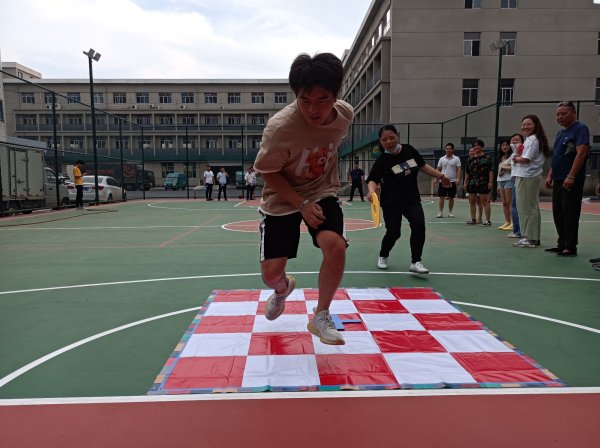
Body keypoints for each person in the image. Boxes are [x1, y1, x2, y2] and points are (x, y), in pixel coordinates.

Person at [253, 52, 354, 346]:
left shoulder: (345, 115)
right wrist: (300, 204)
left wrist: (314, 195)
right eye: (305, 100)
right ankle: (282, 289)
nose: (313, 109)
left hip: (322, 190)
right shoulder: (280, 128)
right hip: (281, 197)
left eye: (323, 100)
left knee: (335, 245)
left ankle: (321, 315)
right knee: (271, 274)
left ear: (336, 95)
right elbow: (268, 172)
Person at [366, 124, 452, 274]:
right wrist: (371, 192)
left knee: (419, 226)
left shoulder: (409, 150)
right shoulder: (382, 160)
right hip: (391, 202)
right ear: (380, 141)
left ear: (397, 136)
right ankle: (383, 255)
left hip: (411, 199)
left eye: (391, 138)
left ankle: (416, 261)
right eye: (384, 140)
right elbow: (373, 179)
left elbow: (423, 166)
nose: (388, 142)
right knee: (394, 233)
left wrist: (442, 176)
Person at [544, 101, 590, 257]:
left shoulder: (580, 129)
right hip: (558, 178)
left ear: (573, 113)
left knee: (570, 212)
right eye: (558, 114)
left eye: (563, 113)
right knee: (558, 212)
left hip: (571, 179)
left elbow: (581, 152)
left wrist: (571, 176)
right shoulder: (560, 133)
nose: (560, 117)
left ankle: (570, 246)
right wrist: (550, 175)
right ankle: (562, 243)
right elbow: (557, 155)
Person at [513, 114, 550, 248]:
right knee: (529, 207)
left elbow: (526, 159)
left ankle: (530, 238)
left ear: (536, 125)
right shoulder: (532, 139)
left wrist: (515, 158)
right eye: (523, 124)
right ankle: (532, 237)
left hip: (527, 176)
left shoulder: (533, 140)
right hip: (528, 176)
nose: (525, 127)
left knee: (527, 208)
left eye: (529, 124)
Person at [464, 139, 493, 225]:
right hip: (472, 182)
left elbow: (491, 170)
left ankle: (488, 220)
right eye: (474, 146)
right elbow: (467, 172)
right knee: (472, 201)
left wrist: (490, 181)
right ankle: (473, 219)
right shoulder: (470, 159)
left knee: (485, 201)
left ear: (482, 146)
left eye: (478, 145)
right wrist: (465, 182)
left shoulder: (487, 158)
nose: (476, 147)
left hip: (483, 182)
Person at [505, 133, 524, 239]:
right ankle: (517, 230)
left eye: (517, 140)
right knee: (514, 205)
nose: (514, 141)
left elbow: (520, 162)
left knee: (517, 205)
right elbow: (503, 163)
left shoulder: (522, 151)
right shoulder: (513, 154)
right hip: (513, 178)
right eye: (513, 140)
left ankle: (519, 231)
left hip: (519, 178)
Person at [435, 142, 461, 218]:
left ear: (453, 150)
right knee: (441, 197)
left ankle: (450, 212)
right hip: (442, 181)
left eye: (450, 149)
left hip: (452, 181)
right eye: (447, 149)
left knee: (451, 197)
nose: (448, 150)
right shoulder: (441, 159)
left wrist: (458, 178)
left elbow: (458, 169)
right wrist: (436, 178)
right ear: (445, 150)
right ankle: (440, 212)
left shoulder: (456, 159)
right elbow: (438, 169)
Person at [496, 138, 514, 231]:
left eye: (506, 145)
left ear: (510, 146)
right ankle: (507, 221)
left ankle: (513, 223)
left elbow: (514, 167)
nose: (504, 147)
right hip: (501, 181)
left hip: (509, 180)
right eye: (503, 145)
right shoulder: (502, 157)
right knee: (504, 202)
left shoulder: (513, 156)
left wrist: (504, 167)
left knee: (509, 202)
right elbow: (499, 171)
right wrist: (498, 184)